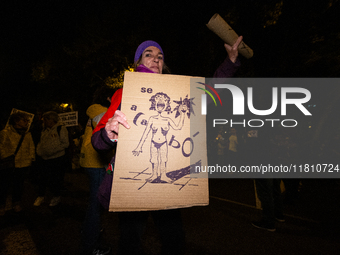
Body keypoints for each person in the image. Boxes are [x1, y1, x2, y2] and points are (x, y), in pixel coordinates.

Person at [91, 38, 243, 254]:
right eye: (149, 54)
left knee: (174, 239)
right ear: (138, 62)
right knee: (130, 240)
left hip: (169, 185)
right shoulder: (125, 92)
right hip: (133, 185)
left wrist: (230, 61)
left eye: (160, 56)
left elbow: (210, 92)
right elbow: (97, 140)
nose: (156, 59)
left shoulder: (178, 92)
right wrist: (108, 133)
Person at [79, 86, 116, 255]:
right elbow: (108, 124)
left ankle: (92, 235)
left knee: (96, 206)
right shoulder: (97, 109)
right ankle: (89, 245)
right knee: (96, 206)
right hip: (95, 163)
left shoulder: (100, 109)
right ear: (109, 98)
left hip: (97, 162)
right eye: (115, 97)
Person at [0, 112, 35, 215]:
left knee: (18, 186)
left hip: (23, 164)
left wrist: (30, 158)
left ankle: (16, 203)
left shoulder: (27, 134)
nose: (27, 122)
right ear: (16, 121)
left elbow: (31, 147)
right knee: (4, 186)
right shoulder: (5, 133)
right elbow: (1, 148)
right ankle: (1, 205)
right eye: (25, 120)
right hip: (9, 164)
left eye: (28, 121)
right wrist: (7, 157)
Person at [34, 111, 69, 207]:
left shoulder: (60, 129)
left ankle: (56, 196)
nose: (43, 122)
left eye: (44, 120)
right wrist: (39, 151)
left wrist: (52, 151)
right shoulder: (44, 130)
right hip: (44, 158)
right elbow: (41, 142)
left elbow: (65, 144)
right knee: (42, 178)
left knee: (55, 179)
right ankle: (41, 196)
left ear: (50, 120)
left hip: (56, 159)